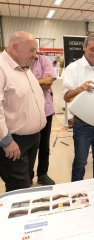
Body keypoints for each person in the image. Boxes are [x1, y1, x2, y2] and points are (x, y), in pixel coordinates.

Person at [62, 35, 94, 181]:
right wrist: (80, 88)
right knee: (80, 162)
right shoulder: (72, 69)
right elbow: (66, 97)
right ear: (84, 48)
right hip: (82, 124)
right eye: (92, 49)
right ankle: (76, 192)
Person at [0, 31, 46, 192]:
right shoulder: (2, 68)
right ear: (15, 47)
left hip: (32, 139)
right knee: (18, 189)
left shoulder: (23, 67)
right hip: (13, 142)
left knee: (26, 182)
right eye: (32, 50)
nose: (35, 55)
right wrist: (6, 141)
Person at [30, 53, 57, 185]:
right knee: (28, 145)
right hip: (26, 112)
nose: (33, 51)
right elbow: (43, 82)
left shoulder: (43, 60)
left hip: (45, 110)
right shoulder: (18, 62)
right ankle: (27, 175)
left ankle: (42, 174)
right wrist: (40, 82)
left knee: (44, 145)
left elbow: (48, 83)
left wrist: (29, 84)